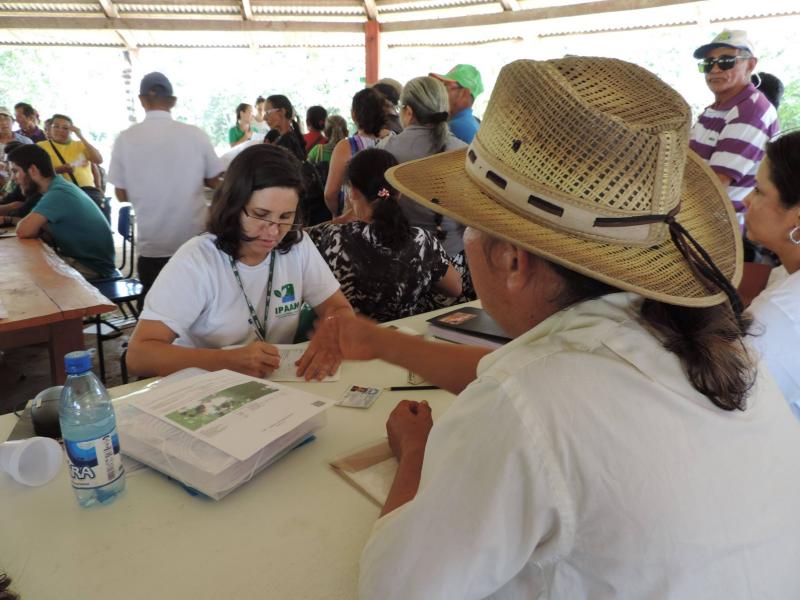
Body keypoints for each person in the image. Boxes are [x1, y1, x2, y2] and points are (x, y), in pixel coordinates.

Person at [323, 57, 800, 598]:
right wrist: (383, 341)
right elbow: (533, 386)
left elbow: (396, 587)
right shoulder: (719, 347)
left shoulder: (527, 401)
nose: (465, 244)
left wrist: (415, 451)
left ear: (512, 262)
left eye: (470, 228)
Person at [125, 144, 353, 381]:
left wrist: (331, 333)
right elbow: (139, 356)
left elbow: (339, 309)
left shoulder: (297, 244)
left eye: (286, 217)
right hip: (202, 392)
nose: (273, 231)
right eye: (261, 215)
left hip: (272, 391)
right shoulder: (197, 260)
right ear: (234, 205)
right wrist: (225, 361)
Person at [108, 71, 224, 303]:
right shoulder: (195, 135)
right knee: (200, 306)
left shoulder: (125, 138)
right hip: (195, 241)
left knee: (157, 309)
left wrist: (147, 188)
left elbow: (120, 194)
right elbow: (215, 181)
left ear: (142, 100)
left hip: (153, 246)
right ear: (173, 101)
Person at [307, 148, 461, 322]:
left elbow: (291, 236)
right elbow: (455, 288)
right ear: (399, 192)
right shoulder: (423, 241)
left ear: (353, 192)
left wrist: (338, 220)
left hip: (351, 341)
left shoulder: (330, 237)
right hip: (404, 339)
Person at [743, 130, 800, 419]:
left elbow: (737, 404)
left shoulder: (778, 317)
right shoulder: (784, 277)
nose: (745, 200)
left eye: (759, 191)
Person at [690, 30, 779, 212]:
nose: (715, 69)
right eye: (708, 64)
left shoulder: (750, 111)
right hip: (698, 215)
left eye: (726, 61)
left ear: (750, 65)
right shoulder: (715, 109)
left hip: (721, 226)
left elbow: (715, 185)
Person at [379, 76, 467, 257]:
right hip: (453, 256)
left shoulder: (386, 148)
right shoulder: (463, 152)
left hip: (402, 257)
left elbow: (379, 200)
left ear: (409, 112)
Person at [9, 144, 115, 279]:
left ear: (33, 170)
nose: (13, 178)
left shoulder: (58, 193)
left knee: (21, 276)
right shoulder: (59, 186)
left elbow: (24, 231)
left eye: (15, 171)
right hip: (90, 262)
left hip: (91, 268)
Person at [324, 88, 389, 216]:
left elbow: (330, 193)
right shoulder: (395, 139)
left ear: (354, 114)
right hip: (388, 215)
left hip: (354, 216)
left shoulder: (346, 146)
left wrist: (337, 214)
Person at [37, 113, 103, 191]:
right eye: (56, 126)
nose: (60, 130)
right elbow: (36, 174)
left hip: (88, 193)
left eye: (65, 128)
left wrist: (81, 136)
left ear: (71, 131)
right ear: (50, 129)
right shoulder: (40, 147)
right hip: (60, 193)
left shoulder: (81, 145)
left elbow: (98, 160)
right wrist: (57, 170)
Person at [429, 64, 483, 144]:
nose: (441, 92)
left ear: (465, 93)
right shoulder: (471, 122)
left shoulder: (457, 127)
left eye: (446, 87)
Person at [264, 95, 306, 161]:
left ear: (282, 112)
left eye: (267, 113)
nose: (264, 118)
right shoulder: (274, 135)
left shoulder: (288, 142)